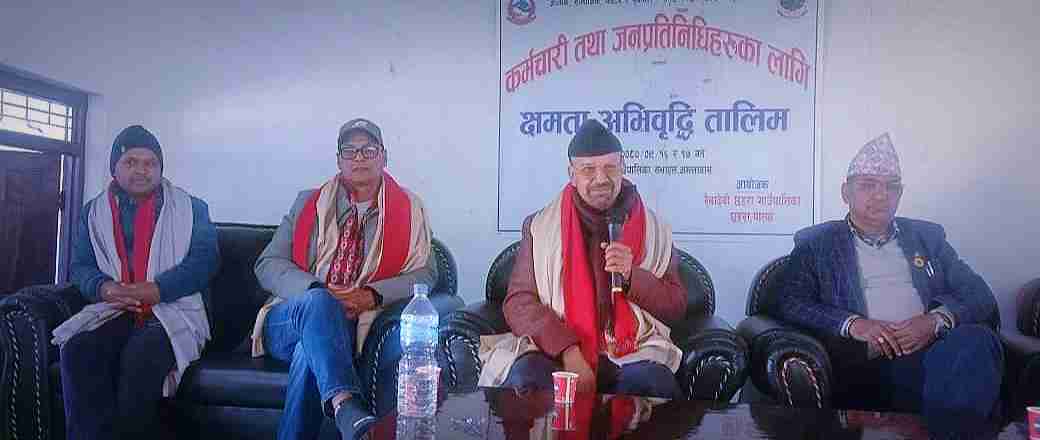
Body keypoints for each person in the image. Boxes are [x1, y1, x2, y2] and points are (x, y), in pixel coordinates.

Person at [775, 133, 1003, 435]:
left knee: (976, 340)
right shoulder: (816, 244)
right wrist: (853, 324)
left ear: (900, 193)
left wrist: (934, 322)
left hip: (932, 356)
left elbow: (979, 294)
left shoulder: (928, 238)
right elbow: (789, 300)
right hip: (866, 363)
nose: (881, 195)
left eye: (891, 186)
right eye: (868, 185)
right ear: (846, 192)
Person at [253, 118, 437, 440]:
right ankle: (345, 401)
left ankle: (341, 407)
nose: (359, 158)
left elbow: (427, 272)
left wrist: (372, 295)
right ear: (339, 160)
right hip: (289, 318)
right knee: (317, 304)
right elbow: (267, 264)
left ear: (384, 156)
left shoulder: (409, 209)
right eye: (350, 151)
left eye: (368, 150)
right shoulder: (307, 203)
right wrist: (317, 291)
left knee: (309, 352)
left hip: (349, 324)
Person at [479, 119, 687, 399]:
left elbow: (676, 306)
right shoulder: (540, 227)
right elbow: (519, 302)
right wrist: (568, 350)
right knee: (526, 377)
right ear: (572, 174)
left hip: (633, 351)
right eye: (588, 169)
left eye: (610, 167)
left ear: (623, 167)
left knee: (652, 383)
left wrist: (632, 276)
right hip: (557, 350)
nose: (601, 178)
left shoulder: (655, 230)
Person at [56, 124, 219, 439]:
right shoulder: (93, 212)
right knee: (78, 350)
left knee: (141, 354)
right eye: (131, 162)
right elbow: (79, 266)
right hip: (115, 308)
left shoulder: (192, 208)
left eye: (150, 163)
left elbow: (205, 261)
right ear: (114, 168)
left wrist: (158, 289)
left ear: (160, 168)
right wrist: (104, 288)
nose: (142, 170)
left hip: (174, 309)